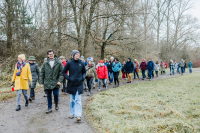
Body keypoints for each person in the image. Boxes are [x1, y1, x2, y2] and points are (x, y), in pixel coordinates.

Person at [62, 50, 86, 122]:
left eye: (78, 54)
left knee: (78, 100)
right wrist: (69, 78)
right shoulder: (69, 63)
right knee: (72, 100)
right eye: (76, 54)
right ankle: (72, 113)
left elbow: (84, 72)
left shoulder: (82, 63)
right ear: (73, 55)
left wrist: (83, 78)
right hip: (71, 84)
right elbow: (63, 72)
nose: (77, 55)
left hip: (79, 84)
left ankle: (78, 115)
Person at [40, 49, 63, 114]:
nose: (51, 55)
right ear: (48, 55)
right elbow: (42, 73)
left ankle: (56, 104)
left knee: (56, 94)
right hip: (47, 82)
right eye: (49, 54)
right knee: (49, 95)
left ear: (54, 54)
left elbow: (62, 72)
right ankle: (49, 108)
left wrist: (60, 80)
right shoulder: (45, 63)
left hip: (56, 82)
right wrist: (41, 82)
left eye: (52, 54)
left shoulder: (59, 62)